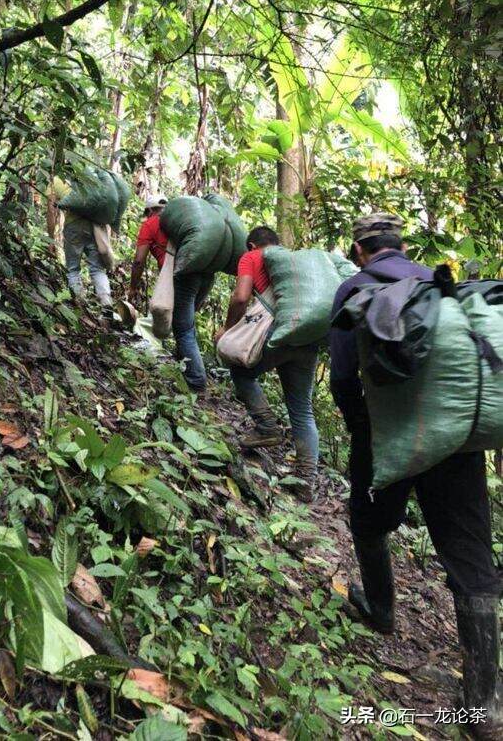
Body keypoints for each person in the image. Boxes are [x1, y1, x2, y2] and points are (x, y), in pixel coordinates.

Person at [330, 212, 501, 736]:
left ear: (360, 250)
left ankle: (381, 609)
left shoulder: (355, 287)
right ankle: (487, 705)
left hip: (388, 438)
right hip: (459, 441)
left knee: (368, 522)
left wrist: (368, 429)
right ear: (402, 245)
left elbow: (341, 379)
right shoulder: (441, 286)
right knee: (470, 553)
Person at [216, 225, 320, 502]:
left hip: (278, 332)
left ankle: (266, 427)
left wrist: (227, 329)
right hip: (307, 338)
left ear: (252, 245)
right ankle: (306, 480)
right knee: (301, 409)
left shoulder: (251, 257)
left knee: (240, 370)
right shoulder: (295, 266)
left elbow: (240, 297)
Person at [128, 194, 213, 393]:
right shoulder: (185, 221)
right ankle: (182, 363)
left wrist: (133, 286)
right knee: (185, 323)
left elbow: (139, 260)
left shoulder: (150, 223)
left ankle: (196, 381)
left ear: (149, 211)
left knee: (182, 328)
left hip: (183, 274)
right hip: (207, 272)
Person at [50, 176, 112, 307]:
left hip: (73, 226)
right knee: (98, 269)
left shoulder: (56, 179)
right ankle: (107, 304)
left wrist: (51, 237)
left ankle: (80, 305)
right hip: (96, 227)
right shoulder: (92, 180)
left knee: (73, 269)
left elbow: (51, 211)